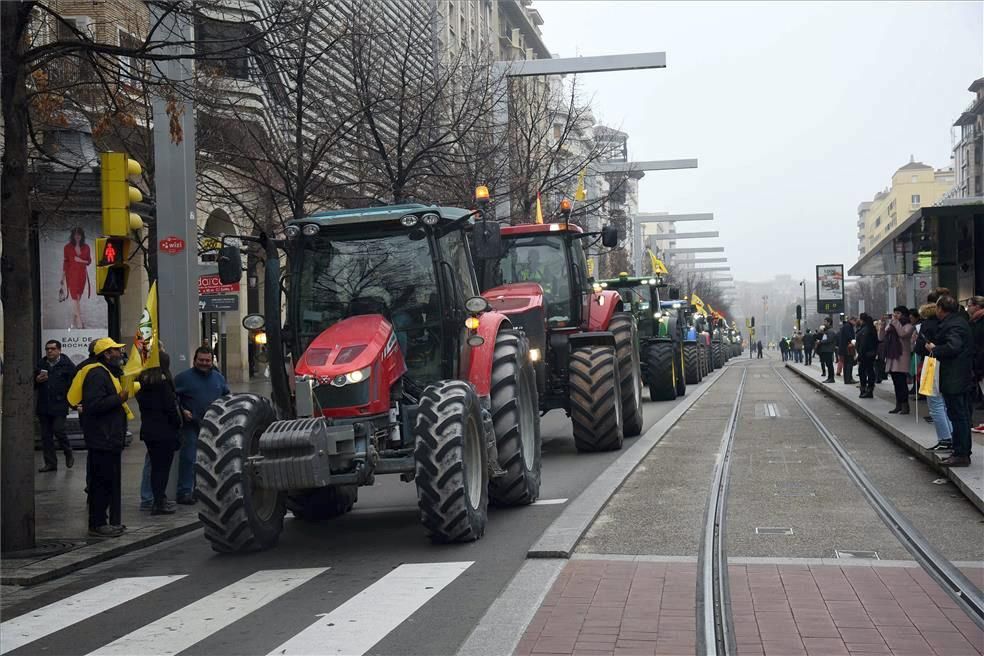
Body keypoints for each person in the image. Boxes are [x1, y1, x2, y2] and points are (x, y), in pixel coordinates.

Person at [71, 338, 130, 537]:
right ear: (106, 354)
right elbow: (94, 405)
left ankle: (103, 522)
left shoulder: (107, 373)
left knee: (107, 480)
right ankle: (98, 524)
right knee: (101, 482)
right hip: (102, 438)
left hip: (109, 437)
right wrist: (119, 399)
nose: (120, 354)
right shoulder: (97, 374)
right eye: (116, 351)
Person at [173, 347, 229, 504]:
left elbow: (227, 397)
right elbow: (173, 397)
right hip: (191, 425)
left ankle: (203, 491)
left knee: (210, 461)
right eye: (201, 360)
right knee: (189, 458)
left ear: (212, 361)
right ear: (194, 360)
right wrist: (182, 410)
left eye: (207, 360)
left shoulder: (219, 378)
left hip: (213, 426)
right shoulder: (183, 378)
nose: (204, 363)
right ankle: (184, 492)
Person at [925, 296, 975, 467]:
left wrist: (935, 349)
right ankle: (960, 451)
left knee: (958, 415)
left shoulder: (954, 325)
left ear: (941, 308)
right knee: (958, 414)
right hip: (958, 376)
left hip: (956, 377)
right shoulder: (958, 322)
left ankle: (961, 453)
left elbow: (953, 347)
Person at [136, 354, 181, 515]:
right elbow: (170, 409)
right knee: (162, 469)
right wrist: (178, 423)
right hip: (165, 432)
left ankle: (157, 500)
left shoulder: (143, 386)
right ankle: (159, 502)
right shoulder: (163, 385)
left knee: (155, 468)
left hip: (149, 431)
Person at [914, 292, 952, 450]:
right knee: (945, 404)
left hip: (931, 365)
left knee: (935, 403)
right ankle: (951, 435)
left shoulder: (927, 325)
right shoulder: (947, 323)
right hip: (946, 364)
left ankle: (945, 439)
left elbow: (919, 347)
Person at [35, 340, 76, 472]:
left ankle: (67, 451)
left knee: (58, 430)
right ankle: (50, 463)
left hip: (59, 405)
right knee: (46, 436)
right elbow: (32, 382)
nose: (49, 351)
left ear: (59, 350)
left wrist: (72, 402)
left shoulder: (67, 366)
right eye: (47, 349)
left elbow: (73, 385)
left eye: (52, 349)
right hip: (44, 405)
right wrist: (37, 380)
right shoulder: (41, 364)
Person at [878, 306, 914, 415]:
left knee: (901, 383)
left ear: (904, 315)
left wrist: (895, 322)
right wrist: (883, 324)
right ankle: (898, 404)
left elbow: (902, 334)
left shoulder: (908, 326)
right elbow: (880, 337)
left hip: (901, 357)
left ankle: (905, 405)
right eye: (894, 313)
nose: (895, 315)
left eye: (898, 313)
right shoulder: (892, 325)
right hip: (891, 357)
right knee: (896, 383)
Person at [61, 227, 92, 330]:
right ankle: (80, 323)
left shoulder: (86, 247)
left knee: (78, 297)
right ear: (73, 235)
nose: (77, 236)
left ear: (82, 236)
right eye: (75, 234)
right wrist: (63, 277)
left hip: (82, 275)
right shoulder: (67, 247)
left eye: (79, 234)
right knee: (75, 298)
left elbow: (89, 261)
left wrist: (80, 260)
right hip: (71, 275)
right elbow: (66, 262)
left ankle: (73, 322)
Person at [967, 296, 984, 432]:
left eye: (970, 305)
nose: (968, 308)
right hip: (978, 362)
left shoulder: (979, 322)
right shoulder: (974, 321)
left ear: (977, 307)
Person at [855, 314, 878, 399]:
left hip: (865, 354)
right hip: (870, 354)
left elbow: (863, 344)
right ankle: (869, 389)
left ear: (862, 320)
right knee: (870, 371)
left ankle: (865, 389)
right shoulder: (871, 328)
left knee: (863, 372)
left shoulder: (865, 330)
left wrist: (860, 355)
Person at [817, 319, 837, 383]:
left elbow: (829, 340)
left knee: (829, 364)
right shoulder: (827, 331)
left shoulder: (830, 331)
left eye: (825, 322)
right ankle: (829, 377)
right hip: (826, 349)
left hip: (828, 350)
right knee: (828, 364)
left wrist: (820, 341)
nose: (824, 323)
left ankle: (831, 378)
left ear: (829, 322)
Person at [838, 317, 856, 384]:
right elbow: (850, 337)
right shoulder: (848, 326)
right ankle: (848, 379)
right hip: (848, 348)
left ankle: (847, 379)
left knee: (846, 364)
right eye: (855, 321)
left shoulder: (845, 326)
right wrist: (853, 342)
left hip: (844, 348)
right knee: (849, 364)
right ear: (851, 320)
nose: (855, 323)